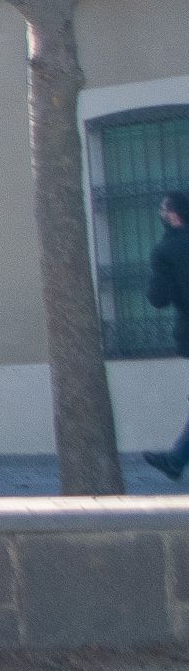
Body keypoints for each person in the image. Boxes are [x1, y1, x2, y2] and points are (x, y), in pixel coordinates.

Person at [148, 190, 189, 481]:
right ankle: (176, 458)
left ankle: (176, 459)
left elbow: (158, 298)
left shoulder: (168, 249)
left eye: (165, 211)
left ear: (174, 215)